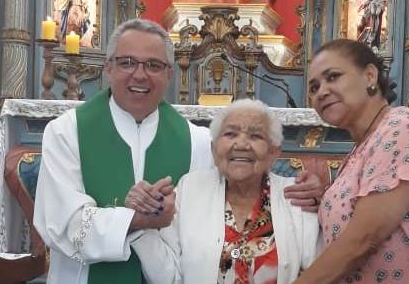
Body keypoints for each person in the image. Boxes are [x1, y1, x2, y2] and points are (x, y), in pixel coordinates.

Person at [34, 19, 322, 284]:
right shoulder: (66, 132)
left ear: (170, 74)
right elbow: (62, 224)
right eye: (127, 62)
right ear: (108, 68)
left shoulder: (195, 140)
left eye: (154, 66)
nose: (140, 75)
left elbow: (241, 184)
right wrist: (137, 220)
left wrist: (309, 192)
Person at [295, 39, 409, 284]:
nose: (321, 91)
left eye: (333, 77)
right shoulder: (364, 145)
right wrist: (322, 196)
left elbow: (364, 238)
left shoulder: (404, 127)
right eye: (313, 87)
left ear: (370, 76)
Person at [129, 99, 320, 283]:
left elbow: (319, 270)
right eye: (230, 134)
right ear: (214, 149)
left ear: (273, 152)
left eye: (255, 136)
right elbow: (169, 277)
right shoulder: (190, 189)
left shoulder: (296, 196)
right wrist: (141, 223)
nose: (242, 144)